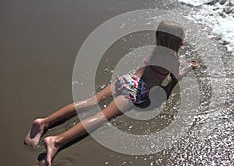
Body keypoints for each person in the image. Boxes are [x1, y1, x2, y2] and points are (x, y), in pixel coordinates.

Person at [24, 20, 201, 166]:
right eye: (182, 40)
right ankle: (56, 141)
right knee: (102, 117)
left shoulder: (155, 49)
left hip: (127, 80)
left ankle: (44, 122)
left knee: (90, 102)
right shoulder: (172, 59)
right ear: (177, 43)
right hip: (137, 91)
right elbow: (175, 78)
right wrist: (189, 68)